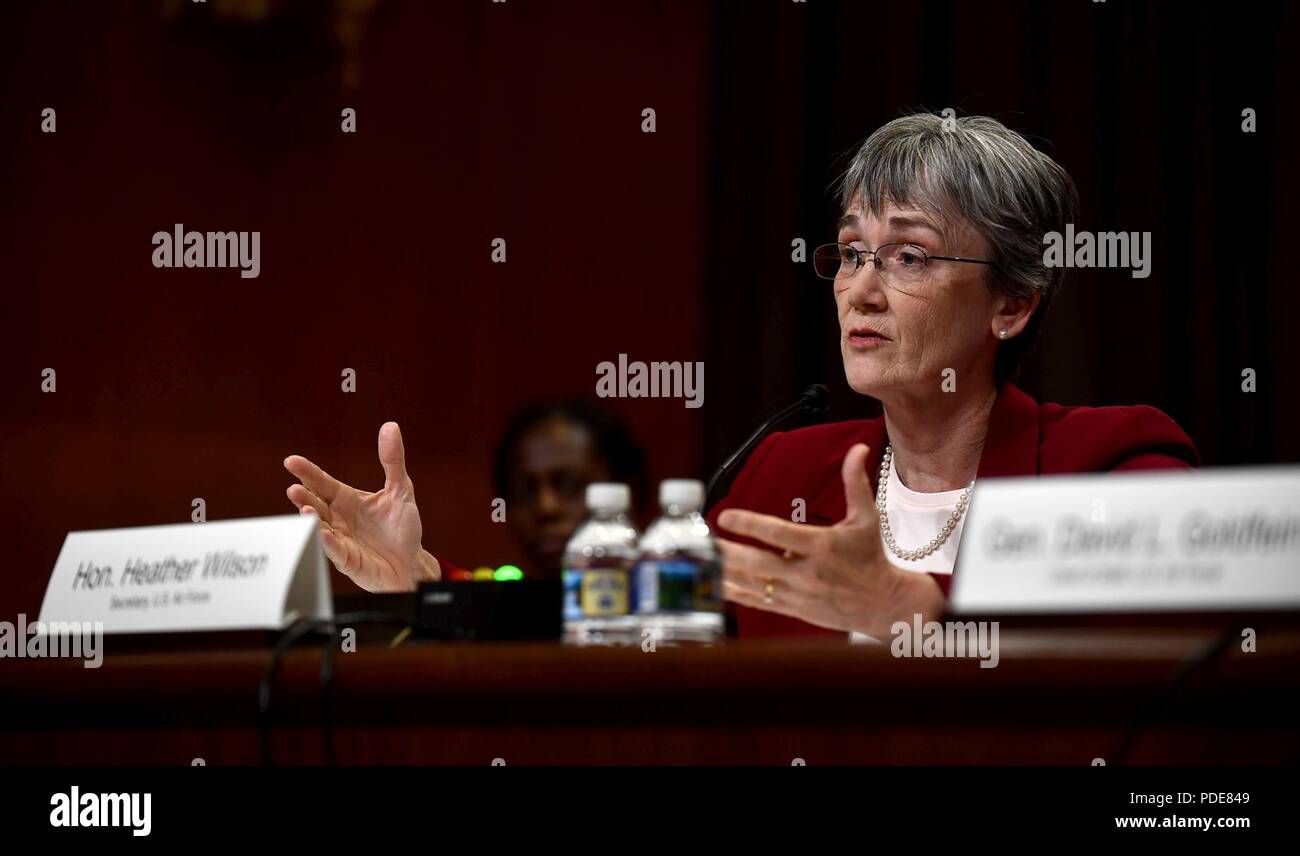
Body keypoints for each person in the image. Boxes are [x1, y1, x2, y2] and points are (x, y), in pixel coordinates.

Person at [707, 113, 1197, 640]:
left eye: (910, 257)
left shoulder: (1105, 467)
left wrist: (923, 610)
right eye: (852, 254)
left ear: (1010, 307)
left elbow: (1174, 644)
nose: (861, 293)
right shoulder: (783, 475)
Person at [282, 401, 645, 587]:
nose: (546, 507)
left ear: (625, 489)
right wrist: (416, 575)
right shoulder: (506, 613)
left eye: (568, 486)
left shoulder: (680, 593)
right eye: (526, 490)